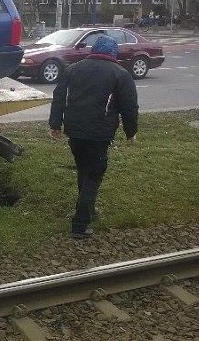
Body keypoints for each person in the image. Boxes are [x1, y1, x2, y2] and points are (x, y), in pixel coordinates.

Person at [48, 36, 138, 239]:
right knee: (93, 176)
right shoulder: (121, 74)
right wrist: (130, 133)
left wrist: (55, 124)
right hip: (99, 134)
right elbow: (129, 107)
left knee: (83, 170)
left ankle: (89, 209)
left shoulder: (73, 69)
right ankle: (80, 225)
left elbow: (59, 96)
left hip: (75, 131)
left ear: (93, 50)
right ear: (113, 53)